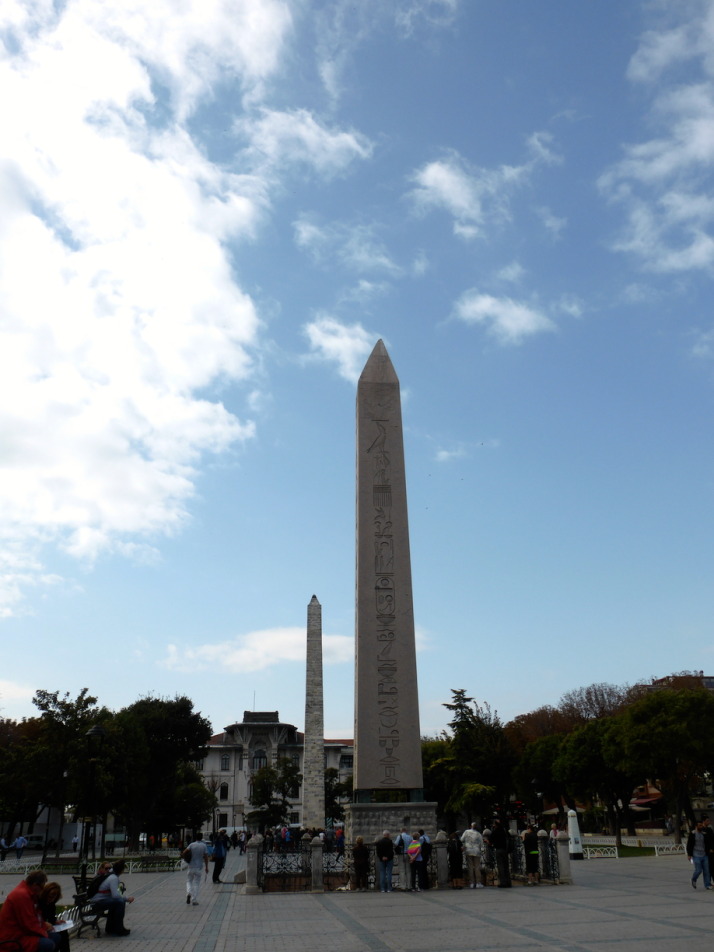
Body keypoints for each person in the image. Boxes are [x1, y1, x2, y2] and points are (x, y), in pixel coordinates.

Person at [0, 870, 60, 952]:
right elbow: (29, 923)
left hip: (23, 934)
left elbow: (36, 917)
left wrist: (44, 927)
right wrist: (43, 932)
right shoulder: (21, 895)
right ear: (35, 885)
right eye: (42, 887)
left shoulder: (29, 894)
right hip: (13, 938)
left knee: (56, 937)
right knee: (48, 944)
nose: (42, 890)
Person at [91, 859, 134, 936]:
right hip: (98, 902)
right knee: (120, 902)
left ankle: (110, 928)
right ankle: (119, 929)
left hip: (98, 900)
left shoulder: (111, 876)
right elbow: (115, 895)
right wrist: (127, 899)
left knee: (119, 902)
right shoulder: (113, 878)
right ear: (121, 870)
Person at [38, 883, 70, 952]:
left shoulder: (51, 904)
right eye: (50, 897)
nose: (51, 900)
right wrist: (45, 924)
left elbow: (51, 917)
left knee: (64, 933)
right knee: (56, 937)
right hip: (40, 927)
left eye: (54, 898)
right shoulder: (39, 902)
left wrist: (55, 922)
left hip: (47, 926)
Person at [182, 832, 209, 905]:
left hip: (191, 866)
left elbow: (184, 852)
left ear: (195, 837)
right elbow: (206, 857)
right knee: (196, 883)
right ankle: (194, 900)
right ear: (201, 837)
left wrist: (186, 858)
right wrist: (206, 867)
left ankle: (189, 893)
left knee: (189, 881)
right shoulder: (204, 846)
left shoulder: (191, 845)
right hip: (199, 867)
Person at [486, 819, 511, 887]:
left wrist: (487, 841)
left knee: (501, 866)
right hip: (505, 849)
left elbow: (490, 841)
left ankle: (503, 882)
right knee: (506, 866)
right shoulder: (505, 830)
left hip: (499, 849)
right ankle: (508, 881)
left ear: (495, 825)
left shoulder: (495, 831)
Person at [687, 820, 711, 890]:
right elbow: (689, 845)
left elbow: (707, 843)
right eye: (700, 825)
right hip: (696, 855)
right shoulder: (692, 834)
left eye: (701, 825)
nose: (701, 827)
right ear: (696, 826)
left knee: (706, 871)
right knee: (698, 870)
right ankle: (694, 879)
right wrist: (689, 854)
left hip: (704, 855)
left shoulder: (704, 834)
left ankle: (707, 884)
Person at [460, 822, 484, 889]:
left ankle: (472, 882)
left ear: (471, 826)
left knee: (470, 867)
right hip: (476, 851)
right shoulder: (478, 834)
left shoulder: (466, 832)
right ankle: (478, 882)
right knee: (477, 867)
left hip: (468, 850)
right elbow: (481, 843)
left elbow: (462, 839)